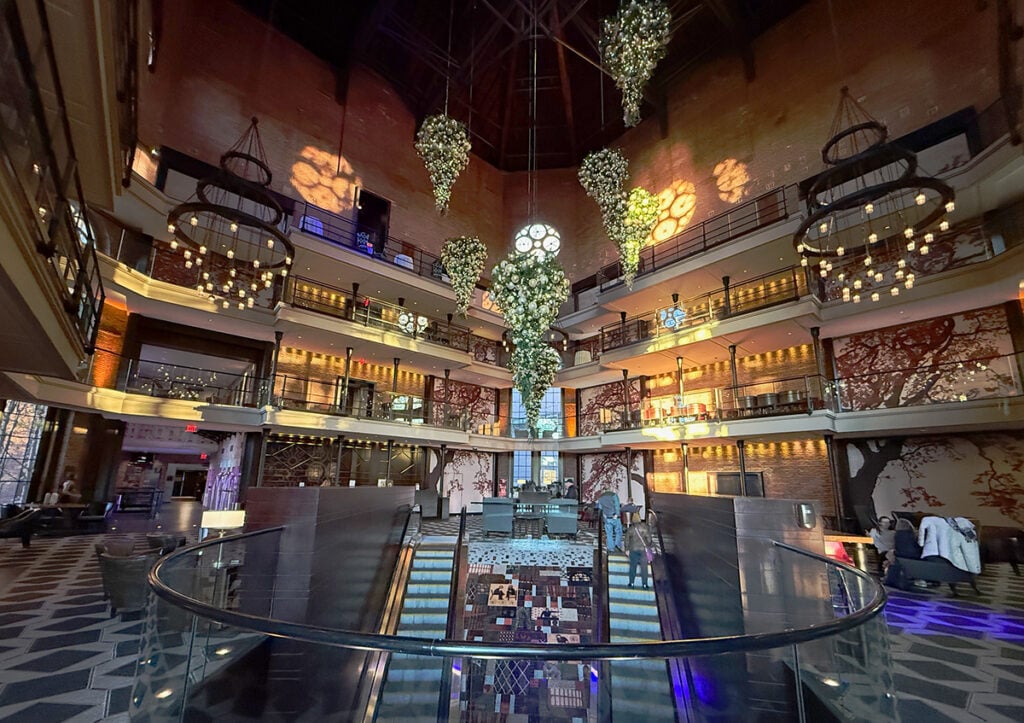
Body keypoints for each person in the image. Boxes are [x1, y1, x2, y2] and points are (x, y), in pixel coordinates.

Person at [625, 511, 654, 589]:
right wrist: (648, 546)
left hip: (633, 550)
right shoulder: (645, 527)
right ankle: (644, 584)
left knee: (632, 567)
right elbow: (649, 540)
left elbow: (627, 540)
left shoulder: (631, 529)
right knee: (644, 568)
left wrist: (627, 549)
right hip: (643, 550)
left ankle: (631, 583)